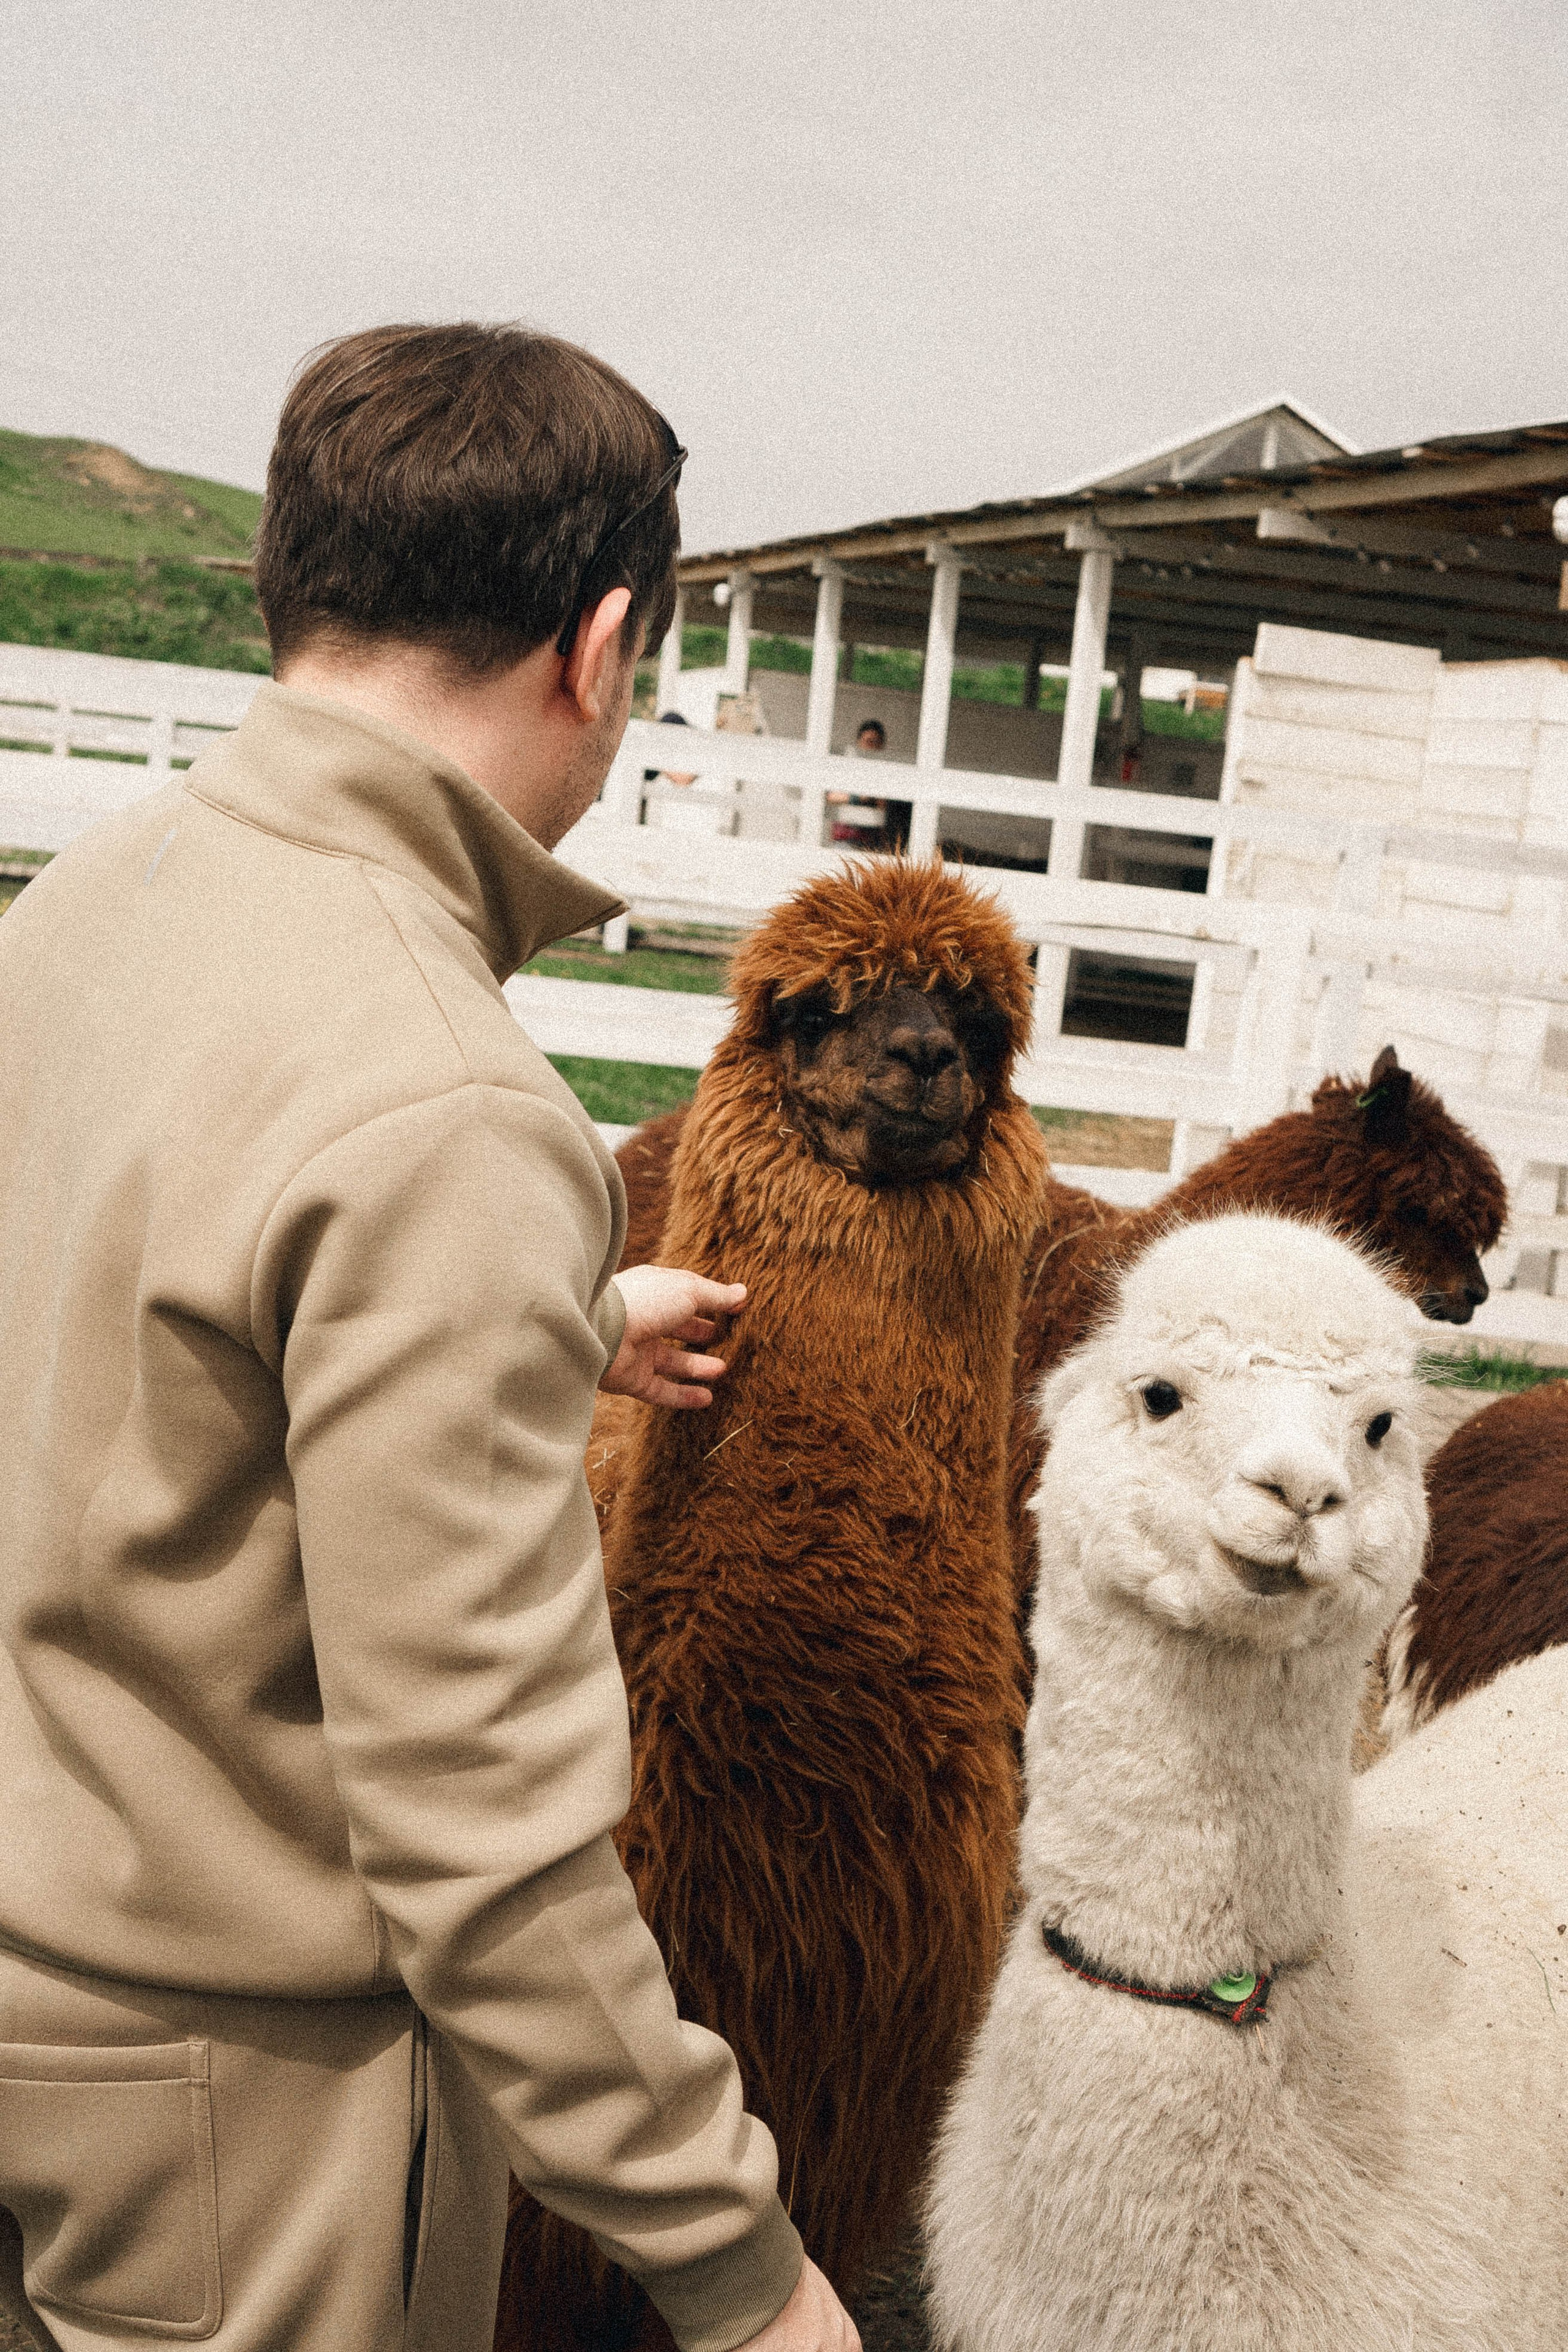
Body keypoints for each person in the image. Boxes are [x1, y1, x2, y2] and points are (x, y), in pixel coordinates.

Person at [0, 324, 858, 2352]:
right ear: (601, 640)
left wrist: (558, 1320)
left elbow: (128, 1312)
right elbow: (479, 1839)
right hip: (239, 2118)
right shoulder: (447, 1104)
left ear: (292, 581)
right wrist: (742, 2273)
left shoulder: (87, 899)